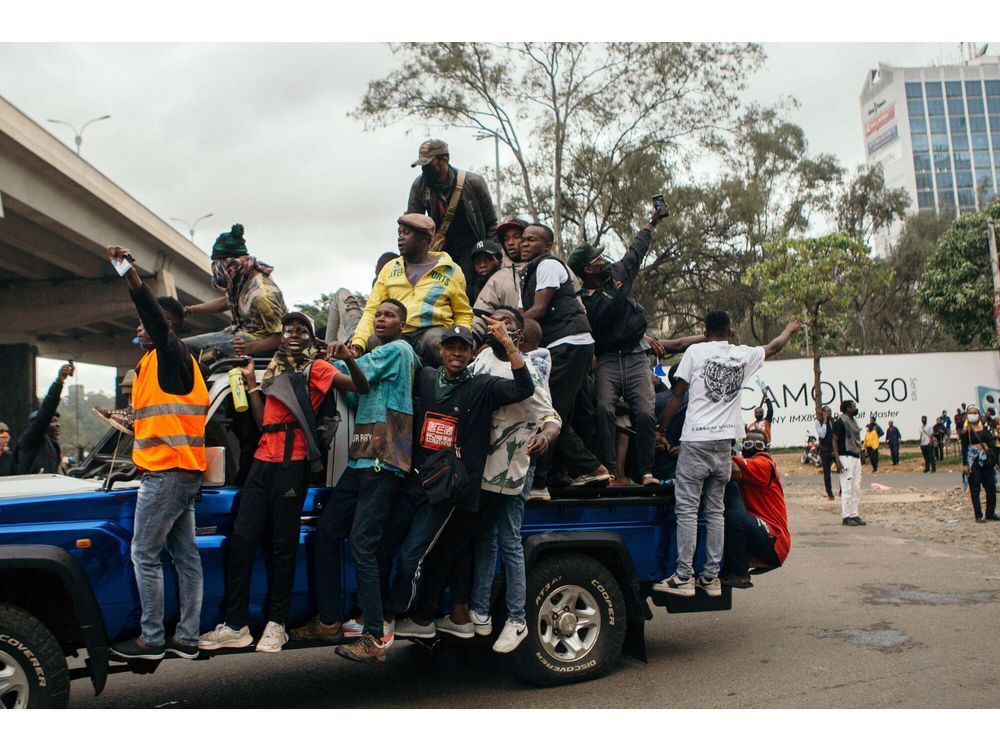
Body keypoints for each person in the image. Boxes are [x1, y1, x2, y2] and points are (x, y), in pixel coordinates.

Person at [198, 312, 369, 655]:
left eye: (301, 329)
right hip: (263, 463)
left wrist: (348, 357)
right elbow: (262, 422)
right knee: (242, 541)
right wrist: (249, 383)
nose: (293, 333)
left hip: (294, 463)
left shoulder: (316, 368)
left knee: (283, 546)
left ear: (310, 337)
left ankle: (277, 624)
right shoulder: (274, 368)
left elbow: (361, 387)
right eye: (288, 328)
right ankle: (236, 625)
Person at [289, 299, 420, 664]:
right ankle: (329, 620)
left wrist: (335, 357)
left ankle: (375, 636)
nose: (381, 319)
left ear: (402, 325)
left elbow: (361, 368)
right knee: (329, 531)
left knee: (363, 543)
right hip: (362, 457)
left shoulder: (399, 350)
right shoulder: (374, 362)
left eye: (389, 315)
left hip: (386, 457)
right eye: (377, 315)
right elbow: (350, 388)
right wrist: (332, 362)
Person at [391, 321, 534, 640]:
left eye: (463, 348)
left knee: (413, 555)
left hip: (449, 490)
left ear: (471, 353)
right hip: (415, 480)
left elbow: (525, 388)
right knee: (396, 546)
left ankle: (396, 614)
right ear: (441, 351)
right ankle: (401, 615)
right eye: (450, 347)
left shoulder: (482, 386)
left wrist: (506, 344)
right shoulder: (426, 379)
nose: (456, 353)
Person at [105, 246, 209, 662]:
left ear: (163, 326)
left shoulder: (171, 354)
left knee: (143, 553)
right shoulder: (154, 364)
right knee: (185, 556)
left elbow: (151, 314)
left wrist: (128, 272)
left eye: (147, 323)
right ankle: (186, 637)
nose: (139, 327)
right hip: (180, 471)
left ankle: (152, 638)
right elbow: (163, 418)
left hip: (167, 473)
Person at [654, 312, 800, 596]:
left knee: (686, 509)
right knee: (715, 510)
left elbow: (676, 395)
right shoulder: (742, 355)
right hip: (724, 443)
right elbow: (774, 346)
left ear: (705, 332)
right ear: (729, 331)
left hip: (696, 441)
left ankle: (684, 575)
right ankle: (711, 578)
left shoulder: (696, 351)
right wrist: (790, 328)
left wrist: (661, 429)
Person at [568, 208, 701, 487]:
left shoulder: (618, 273)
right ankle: (610, 472)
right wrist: (590, 351)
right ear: (588, 269)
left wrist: (651, 223)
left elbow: (636, 250)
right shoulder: (583, 301)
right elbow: (581, 329)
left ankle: (647, 473)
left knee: (644, 412)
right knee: (603, 409)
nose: (606, 260)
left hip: (637, 355)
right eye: (599, 258)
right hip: (607, 359)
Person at [461, 307, 561, 653]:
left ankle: (517, 619)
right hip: (485, 465)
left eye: (505, 322)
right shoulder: (484, 358)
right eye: (493, 320)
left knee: (508, 539)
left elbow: (551, 416)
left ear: (517, 333)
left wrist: (545, 438)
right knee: (485, 537)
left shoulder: (527, 367)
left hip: (516, 465)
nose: (495, 325)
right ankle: (480, 609)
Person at [520, 223, 610, 490]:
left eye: (531, 240)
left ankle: (541, 483)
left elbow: (537, 310)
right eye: (523, 239)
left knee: (549, 413)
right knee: (557, 413)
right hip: (561, 345)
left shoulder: (548, 265)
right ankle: (591, 469)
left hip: (567, 343)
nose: (524, 243)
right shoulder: (528, 272)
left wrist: (504, 326)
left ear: (547, 245)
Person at [350, 214, 473, 367]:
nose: (400, 238)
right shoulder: (389, 268)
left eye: (406, 233)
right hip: (396, 332)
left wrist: (460, 339)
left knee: (434, 341)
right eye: (399, 233)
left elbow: (463, 313)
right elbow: (371, 310)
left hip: (432, 331)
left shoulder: (450, 270)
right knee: (374, 341)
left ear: (425, 239)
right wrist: (358, 343)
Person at [181, 224, 287, 361]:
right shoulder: (243, 282)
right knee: (182, 345)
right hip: (238, 333)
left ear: (234, 265)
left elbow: (281, 336)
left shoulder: (263, 295)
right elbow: (226, 302)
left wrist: (251, 348)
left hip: (254, 342)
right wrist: (192, 309)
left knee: (187, 348)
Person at [406, 138, 498, 282]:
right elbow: (411, 224)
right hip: (438, 255)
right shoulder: (420, 185)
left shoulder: (473, 183)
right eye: (422, 166)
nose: (424, 170)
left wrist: (492, 255)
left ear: (444, 160)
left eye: (429, 165)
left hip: (471, 252)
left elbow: (491, 223)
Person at [721, 429, 790, 588]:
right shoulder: (745, 467)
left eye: (758, 444)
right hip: (760, 529)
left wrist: (722, 456)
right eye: (748, 443)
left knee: (733, 517)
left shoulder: (765, 463)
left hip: (774, 538)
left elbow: (740, 463)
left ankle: (740, 574)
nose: (752, 447)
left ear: (766, 448)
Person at [471, 219, 530, 337]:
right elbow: (480, 319)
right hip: (513, 345)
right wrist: (469, 344)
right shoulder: (498, 279)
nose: (510, 243)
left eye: (516, 237)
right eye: (506, 239)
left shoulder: (550, 266)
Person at [12, 363, 73, 475]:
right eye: (53, 421)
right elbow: (46, 412)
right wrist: (58, 383)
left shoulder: (52, 445)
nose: (58, 424)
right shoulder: (31, 439)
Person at [959, 406, 998, 523]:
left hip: (986, 460)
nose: (972, 415)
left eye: (975, 413)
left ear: (978, 414)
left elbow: (991, 442)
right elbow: (964, 448)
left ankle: (990, 513)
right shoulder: (966, 431)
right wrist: (965, 464)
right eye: (970, 413)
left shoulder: (984, 427)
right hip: (974, 461)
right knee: (975, 489)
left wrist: (991, 453)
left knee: (991, 487)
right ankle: (978, 515)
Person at [832, 400, 866, 527]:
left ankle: (854, 514)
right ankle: (846, 517)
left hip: (855, 457)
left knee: (856, 487)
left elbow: (856, 440)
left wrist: (861, 453)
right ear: (847, 409)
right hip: (845, 457)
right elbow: (834, 441)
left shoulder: (853, 421)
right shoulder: (840, 422)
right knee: (847, 488)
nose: (855, 409)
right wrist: (837, 461)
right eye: (853, 407)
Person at [467, 240, 505, 307]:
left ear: (500, 262)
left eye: (488, 260)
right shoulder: (470, 291)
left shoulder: (509, 283)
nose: (482, 265)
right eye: (477, 261)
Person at [815, 406, 835, 500]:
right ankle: (830, 493)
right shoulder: (818, 422)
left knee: (842, 469)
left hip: (834, 449)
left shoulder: (833, 420)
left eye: (830, 411)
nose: (829, 413)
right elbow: (822, 435)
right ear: (823, 413)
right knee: (827, 473)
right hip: (825, 449)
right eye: (827, 412)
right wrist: (825, 422)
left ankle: (842, 491)